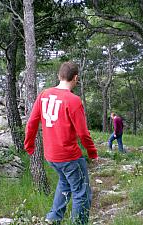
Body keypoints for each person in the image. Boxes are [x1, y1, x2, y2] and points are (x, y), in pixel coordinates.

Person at [24, 61, 98, 225]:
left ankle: (53, 218)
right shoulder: (73, 100)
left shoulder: (44, 94)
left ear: (59, 76)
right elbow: (83, 133)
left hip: (51, 156)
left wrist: (29, 146)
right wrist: (92, 153)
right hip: (69, 157)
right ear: (76, 78)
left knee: (65, 183)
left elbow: (31, 123)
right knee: (81, 193)